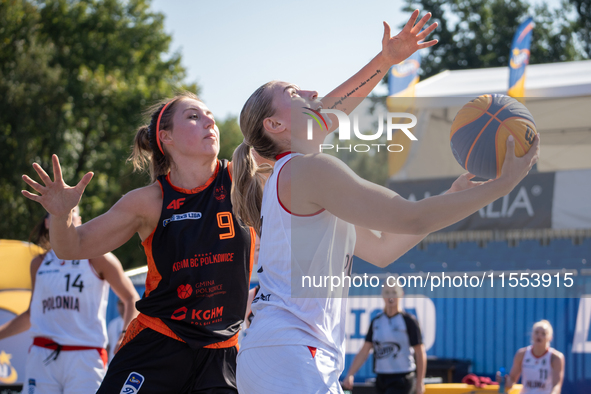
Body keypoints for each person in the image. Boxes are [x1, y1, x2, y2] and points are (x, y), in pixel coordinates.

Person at [231, 10, 540, 394]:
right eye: (294, 95)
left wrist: (451, 197)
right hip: (289, 350)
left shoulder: (300, 178)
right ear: (275, 126)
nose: (312, 93)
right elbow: (407, 217)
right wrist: (502, 186)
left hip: (287, 351)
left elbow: (382, 248)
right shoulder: (306, 170)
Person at [21, 91, 258, 393]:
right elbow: (71, 247)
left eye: (209, 114)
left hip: (221, 352)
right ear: (166, 137)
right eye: (193, 116)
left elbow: (289, 133)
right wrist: (61, 214)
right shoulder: (149, 202)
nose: (209, 120)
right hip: (158, 344)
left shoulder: (243, 177)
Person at [0, 207, 139, 394]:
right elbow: (32, 314)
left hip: (85, 356)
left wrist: (125, 333)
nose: (64, 211)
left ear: (79, 220)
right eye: (56, 211)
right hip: (42, 355)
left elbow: (131, 298)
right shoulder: (39, 263)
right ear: (48, 222)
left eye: (71, 209)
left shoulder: (97, 257)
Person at [342, 284, 426, 394]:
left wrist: (420, 382)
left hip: (402, 378)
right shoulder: (377, 321)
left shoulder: (408, 321)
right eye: (387, 293)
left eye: (394, 292)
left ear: (401, 294)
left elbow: (420, 352)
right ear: (382, 295)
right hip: (381, 378)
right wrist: (350, 374)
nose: (390, 296)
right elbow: (364, 351)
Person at [503, 320, 564, 394]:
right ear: (532, 334)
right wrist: (503, 380)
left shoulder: (555, 358)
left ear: (550, 337)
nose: (539, 336)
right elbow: (512, 380)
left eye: (543, 333)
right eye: (537, 332)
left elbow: (556, 386)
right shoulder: (521, 354)